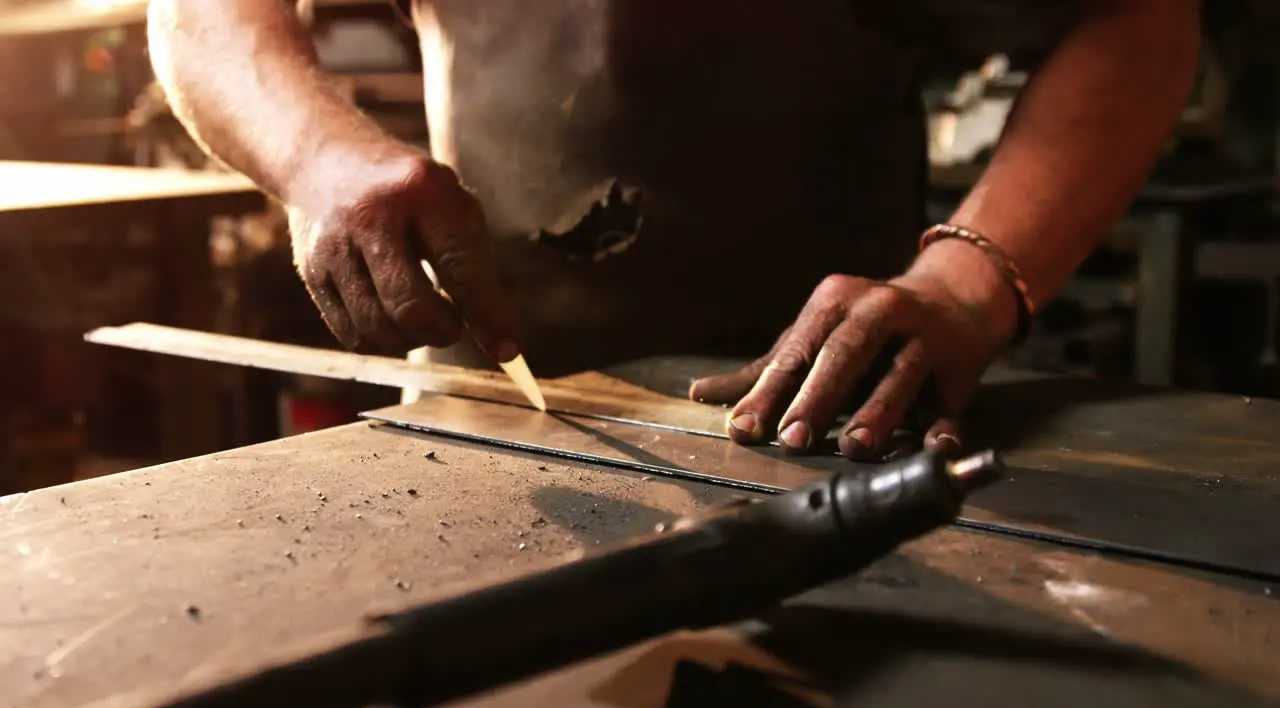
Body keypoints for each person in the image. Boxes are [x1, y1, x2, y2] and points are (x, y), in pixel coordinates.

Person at [148, 0, 1199, 460]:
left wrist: (963, 286)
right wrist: (318, 159)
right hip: (481, 423)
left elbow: (1135, 18)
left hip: (816, 423)